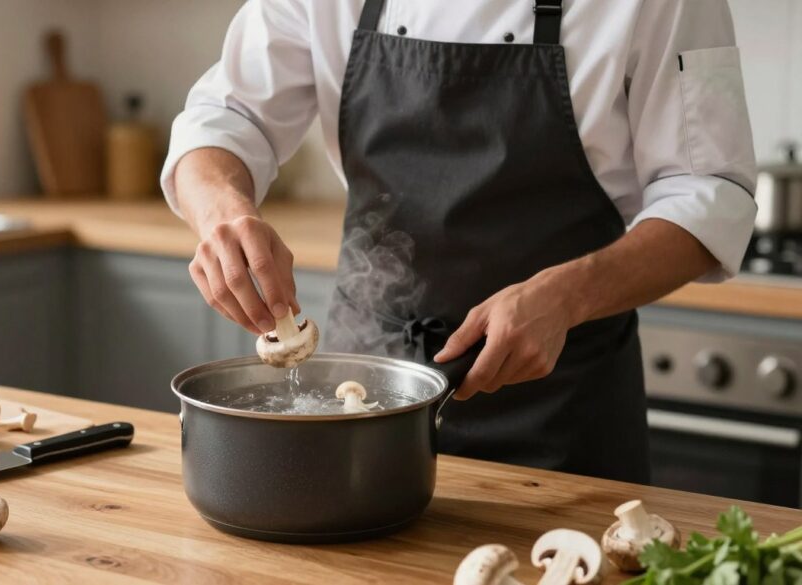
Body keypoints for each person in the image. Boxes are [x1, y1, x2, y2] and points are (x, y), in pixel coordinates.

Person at [162, 0, 757, 482]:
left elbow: (709, 194)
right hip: (361, 401)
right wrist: (223, 213)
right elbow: (226, 115)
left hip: (561, 414)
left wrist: (567, 294)